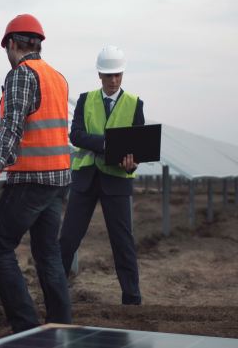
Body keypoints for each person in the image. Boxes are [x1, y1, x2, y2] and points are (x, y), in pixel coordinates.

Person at [0, 14, 72, 333]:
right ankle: (61, 324)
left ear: (12, 44)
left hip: (31, 179)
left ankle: (26, 327)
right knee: (48, 254)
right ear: (38, 43)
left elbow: (13, 125)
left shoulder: (21, 74)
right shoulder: (57, 77)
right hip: (58, 180)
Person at [59, 45, 145, 305]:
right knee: (67, 239)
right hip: (85, 180)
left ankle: (132, 299)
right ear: (99, 75)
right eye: (108, 75)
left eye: (118, 74)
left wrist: (131, 163)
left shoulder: (134, 104)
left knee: (123, 244)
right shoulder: (86, 100)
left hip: (117, 181)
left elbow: (137, 147)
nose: (113, 80)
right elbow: (75, 135)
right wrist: (106, 144)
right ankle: (55, 295)